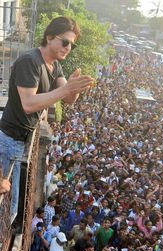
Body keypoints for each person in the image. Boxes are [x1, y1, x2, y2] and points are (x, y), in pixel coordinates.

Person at [0, 16, 94, 221]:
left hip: (24, 139)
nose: (69, 48)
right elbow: (28, 104)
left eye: (73, 45)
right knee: (7, 206)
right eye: (66, 42)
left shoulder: (54, 65)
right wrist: (67, 89)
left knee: (13, 207)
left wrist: (74, 87)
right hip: (10, 139)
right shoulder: (30, 61)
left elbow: (67, 98)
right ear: (50, 37)